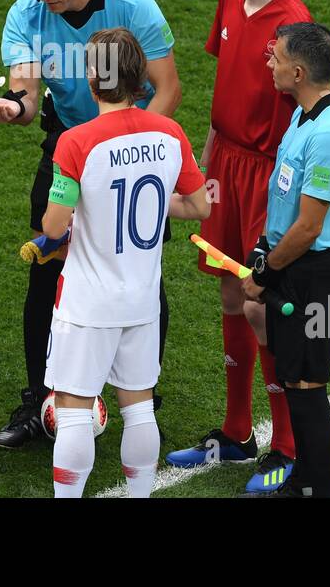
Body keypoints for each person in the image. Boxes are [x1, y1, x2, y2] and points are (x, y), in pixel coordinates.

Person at [0, 0, 183, 449]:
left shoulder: (130, 2)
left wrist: (123, 144)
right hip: (68, 149)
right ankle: (40, 400)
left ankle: (139, 392)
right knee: (47, 269)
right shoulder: (26, 15)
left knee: (138, 271)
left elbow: (169, 88)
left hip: (130, 151)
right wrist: (15, 107)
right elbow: (26, 97)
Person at [165, 0, 312, 495]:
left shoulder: (292, 23)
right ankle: (234, 433)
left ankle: (287, 445)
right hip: (224, 160)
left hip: (268, 173)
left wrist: (284, 192)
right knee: (230, 288)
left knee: (262, 302)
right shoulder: (230, 0)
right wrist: (199, 167)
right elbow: (225, 93)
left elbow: (305, 114)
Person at [39, 28, 209, 496]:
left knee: (73, 410)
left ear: (94, 79)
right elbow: (198, 206)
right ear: (139, 79)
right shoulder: (170, 133)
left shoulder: (76, 142)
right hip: (142, 299)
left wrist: (73, 213)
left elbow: (54, 227)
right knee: (138, 408)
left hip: (88, 303)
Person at [241, 22, 330, 497]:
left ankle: (319, 491)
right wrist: (262, 248)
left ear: (297, 71)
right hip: (291, 263)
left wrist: (265, 270)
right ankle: (303, 484)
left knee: (309, 393)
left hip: (312, 276)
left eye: (276, 58)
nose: (268, 63)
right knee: (294, 382)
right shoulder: (303, 115)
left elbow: (310, 227)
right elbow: (286, 201)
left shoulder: (329, 136)